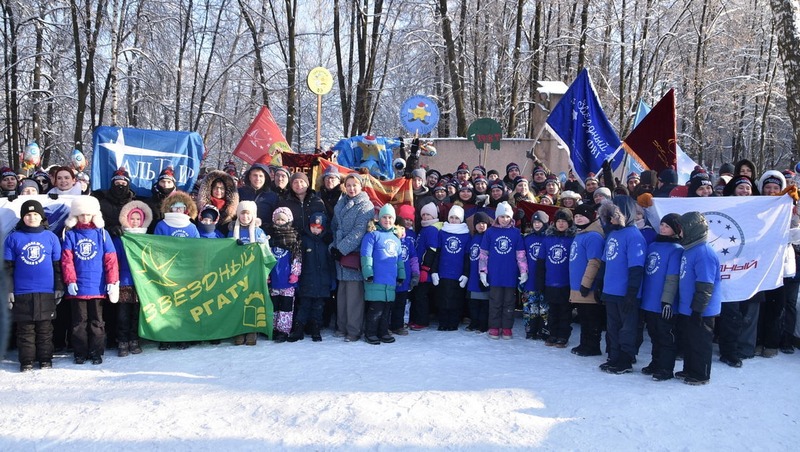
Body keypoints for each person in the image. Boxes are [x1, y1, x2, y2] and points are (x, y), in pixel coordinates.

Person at [5, 200, 63, 371]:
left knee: (45, 329)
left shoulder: (51, 237)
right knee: (25, 330)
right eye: (28, 215)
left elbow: (57, 266)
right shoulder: (13, 238)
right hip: (22, 292)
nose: (32, 217)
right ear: (23, 217)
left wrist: (59, 287)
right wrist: (8, 290)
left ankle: (45, 359)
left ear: (41, 217)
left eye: (35, 214)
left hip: (46, 291)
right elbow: (7, 267)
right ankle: (27, 361)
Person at [61, 196, 120, 365]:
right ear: (75, 216)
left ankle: (96, 352)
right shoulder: (70, 235)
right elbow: (67, 260)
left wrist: (112, 281)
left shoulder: (102, 234)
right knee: (79, 322)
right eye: (81, 215)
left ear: (94, 215)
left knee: (97, 322)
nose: (84, 218)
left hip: (97, 286)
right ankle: (80, 352)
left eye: (88, 214)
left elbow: (110, 259)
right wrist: (70, 280)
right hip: (78, 287)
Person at [597, 196, 646, 374]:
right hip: (611, 290)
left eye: (614, 215)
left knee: (627, 328)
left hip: (626, 293)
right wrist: (599, 283)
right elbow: (605, 262)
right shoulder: (612, 234)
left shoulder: (634, 236)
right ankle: (614, 356)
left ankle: (625, 359)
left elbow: (636, 267)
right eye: (609, 216)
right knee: (613, 327)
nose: (611, 219)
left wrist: (632, 293)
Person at [675, 211, 722, 385]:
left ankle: (701, 373)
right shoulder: (690, 249)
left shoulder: (704, 252)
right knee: (689, 340)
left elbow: (705, 284)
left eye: (681, 229)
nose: (678, 232)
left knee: (700, 342)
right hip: (688, 306)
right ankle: (690, 368)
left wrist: (698, 309)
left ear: (691, 229)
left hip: (702, 309)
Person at [330, 174, 374, 342]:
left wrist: (341, 249)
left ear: (361, 186)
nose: (351, 188)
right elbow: (334, 227)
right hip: (340, 256)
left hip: (353, 255)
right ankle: (341, 326)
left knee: (354, 296)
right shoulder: (341, 203)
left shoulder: (365, 205)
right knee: (342, 294)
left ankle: (354, 330)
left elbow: (359, 231)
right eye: (348, 185)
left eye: (354, 185)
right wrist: (333, 247)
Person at [639, 213, 683, 381]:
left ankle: (666, 368)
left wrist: (668, 301)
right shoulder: (653, 245)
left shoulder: (677, 250)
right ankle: (655, 362)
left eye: (667, 226)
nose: (663, 228)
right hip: (649, 300)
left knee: (666, 336)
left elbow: (673, 277)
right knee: (654, 334)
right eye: (662, 225)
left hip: (664, 301)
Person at [479, 201, 527, 339]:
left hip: (510, 274)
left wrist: (523, 271)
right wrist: (483, 272)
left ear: (511, 217)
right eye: (502, 216)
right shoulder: (490, 232)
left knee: (509, 302)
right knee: (495, 301)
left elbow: (521, 255)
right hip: (495, 274)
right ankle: (494, 326)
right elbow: (483, 254)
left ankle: (507, 327)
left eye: (507, 216)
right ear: (497, 217)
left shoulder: (516, 233)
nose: (504, 220)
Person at [361, 204, 405, 344]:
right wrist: (368, 272)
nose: (387, 220)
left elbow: (399, 260)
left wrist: (401, 274)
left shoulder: (396, 239)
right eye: (384, 217)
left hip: (390, 280)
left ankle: (383, 331)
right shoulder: (372, 236)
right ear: (379, 219)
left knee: (386, 309)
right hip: (376, 279)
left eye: (390, 217)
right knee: (376, 309)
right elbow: (366, 255)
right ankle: (371, 333)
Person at [115, 200, 153, 356]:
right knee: (122, 315)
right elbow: (114, 259)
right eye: (133, 219)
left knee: (136, 314)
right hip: (124, 282)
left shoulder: (147, 239)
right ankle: (122, 341)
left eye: (138, 219)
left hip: (141, 283)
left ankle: (134, 339)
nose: (135, 222)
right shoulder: (121, 239)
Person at [229, 201, 269, 345]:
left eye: (248, 214)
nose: (245, 217)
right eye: (242, 213)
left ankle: (252, 331)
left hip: (254, 273)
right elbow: (226, 252)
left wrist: (260, 245)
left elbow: (266, 252)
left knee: (252, 300)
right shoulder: (233, 230)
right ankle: (239, 330)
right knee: (238, 302)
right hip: (237, 272)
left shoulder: (258, 231)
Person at [568, 204, 605, 356]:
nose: (578, 218)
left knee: (591, 318)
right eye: (576, 216)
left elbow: (594, 262)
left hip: (587, 286)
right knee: (584, 317)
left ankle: (592, 346)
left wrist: (586, 283)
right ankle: (584, 343)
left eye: (582, 215)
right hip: (578, 285)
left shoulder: (593, 236)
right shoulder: (580, 234)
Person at [292, 211, 334, 342]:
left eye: (319, 228)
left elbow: (331, 263)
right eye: (313, 227)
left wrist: (332, 280)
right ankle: (298, 329)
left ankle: (316, 328)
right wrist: (297, 277)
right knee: (304, 306)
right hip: (307, 281)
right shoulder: (304, 241)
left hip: (322, 282)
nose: (315, 230)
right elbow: (299, 260)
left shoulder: (326, 243)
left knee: (318, 307)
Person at [537, 208, 576, 347]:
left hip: (566, 283)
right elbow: (541, 262)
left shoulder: (573, 240)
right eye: (558, 221)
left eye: (564, 221)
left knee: (565, 312)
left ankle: (563, 335)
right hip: (550, 282)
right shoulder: (548, 239)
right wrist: (540, 282)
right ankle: (552, 334)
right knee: (552, 311)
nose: (560, 224)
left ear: (569, 223)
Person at [431, 205, 470, 331]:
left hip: (458, 274)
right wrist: (434, 271)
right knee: (442, 299)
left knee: (456, 300)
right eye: (451, 217)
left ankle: (453, 322)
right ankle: (443, 322)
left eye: (456, 218)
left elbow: (467, 256)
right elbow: (438, 252)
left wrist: (465, 274)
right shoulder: (442, 232)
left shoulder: (466, 234)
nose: (453, 220)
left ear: (461, 220)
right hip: (443, 273)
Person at [266, 207, 302, 343]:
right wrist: (266, 274)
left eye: (283, 219)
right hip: (274, 278)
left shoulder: (293, 238)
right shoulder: (270, 237)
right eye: (278, 219)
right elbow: (265, 257)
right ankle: (273, 327)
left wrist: (295, 273)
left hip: (287, 280)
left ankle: (283, 330)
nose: (280, 222)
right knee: (274, 304)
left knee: (286, 306)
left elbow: (297, 257)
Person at [410, 202, 441, 330]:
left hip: (425, 270)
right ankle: (416, 318)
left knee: (421, 296)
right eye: (423, 215)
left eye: (428, 214)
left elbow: (432, 249)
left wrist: (425, 268)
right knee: (417, 295)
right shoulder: (423, 228)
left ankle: (422, 321)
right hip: (418, 268)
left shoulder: (432, 229)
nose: (425, 217)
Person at [392, 205, 419, 336]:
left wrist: (415, 273)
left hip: (405, 278)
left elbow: (413, 258)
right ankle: (386, 325)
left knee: (401, 303)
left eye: (403, 228)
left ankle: (398, 325)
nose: (401, 230)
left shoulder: (408, 241)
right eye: (398, 227)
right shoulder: (390, 240)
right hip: (391, 278)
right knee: (389, 303)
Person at [522, 211, 549, 339]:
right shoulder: (527, 238)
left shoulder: (549, 238)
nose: (537, 224)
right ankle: (530, 329)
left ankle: (543, 329)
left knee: (544, 308)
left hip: (545, 279)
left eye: (540, 222)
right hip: (529, 279)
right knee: (530, 307)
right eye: (535, 222)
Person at [466, 212, 492, 333]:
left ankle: (483, 324)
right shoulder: (473, 238)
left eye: (484, 223)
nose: (481, 226)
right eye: (478, 223)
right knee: (473, 302)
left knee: (484, 302)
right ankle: (474, 322)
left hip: (485, 274)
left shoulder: (488, 238)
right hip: (473, 275)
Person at [237, 163, 279, 234]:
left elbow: (275, 218)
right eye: (255, 175)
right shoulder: (239, 192)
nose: (258, 179)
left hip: (264, 234)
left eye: (261, 176)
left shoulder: (272, 196)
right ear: (250, 177)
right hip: (241, 233)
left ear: (265, 178)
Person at [196, 169, 239, 236]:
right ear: (211, 189)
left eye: (222, 188)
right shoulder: (201, 210)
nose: (218, 191)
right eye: (216, 188)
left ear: (226, 191)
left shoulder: (233, 213)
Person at [145, 167, 178, 233]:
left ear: (173, 184)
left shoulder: (180, 202)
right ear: (158, 182)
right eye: (163, 182)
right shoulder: (148, 203)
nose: (165, 185)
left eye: (169, 182)